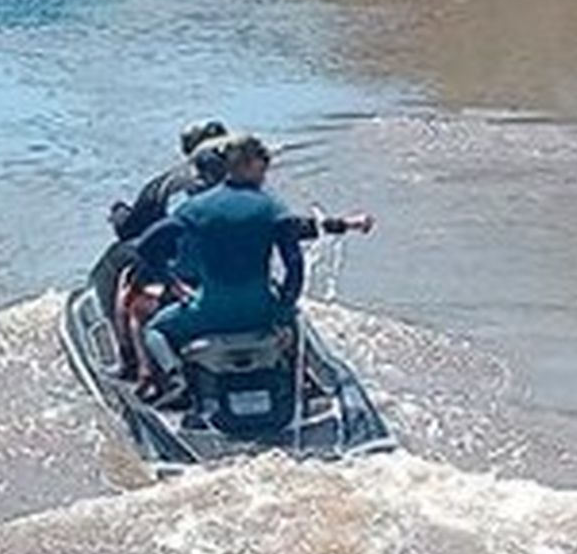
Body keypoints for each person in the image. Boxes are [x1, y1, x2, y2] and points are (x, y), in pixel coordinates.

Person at [135, 133, 370, 400]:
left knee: (154, 330)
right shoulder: (272, 208)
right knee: (296, 322)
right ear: (251, 166)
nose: (265, 177)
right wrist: (283, 308)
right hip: (260, 310)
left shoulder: (195, 208)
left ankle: (177, 381)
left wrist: (174, 286)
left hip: (208, 310)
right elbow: (294, 265)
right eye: (263, 169)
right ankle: (303, 382)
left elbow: (146, 246)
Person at [88, 120, 235, 318]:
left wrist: (119, 214)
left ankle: (118, 336)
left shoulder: (168, 185)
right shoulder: (248, 187)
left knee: (118, 255)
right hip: (232, 270)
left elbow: (134, 229)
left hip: (180, 271)